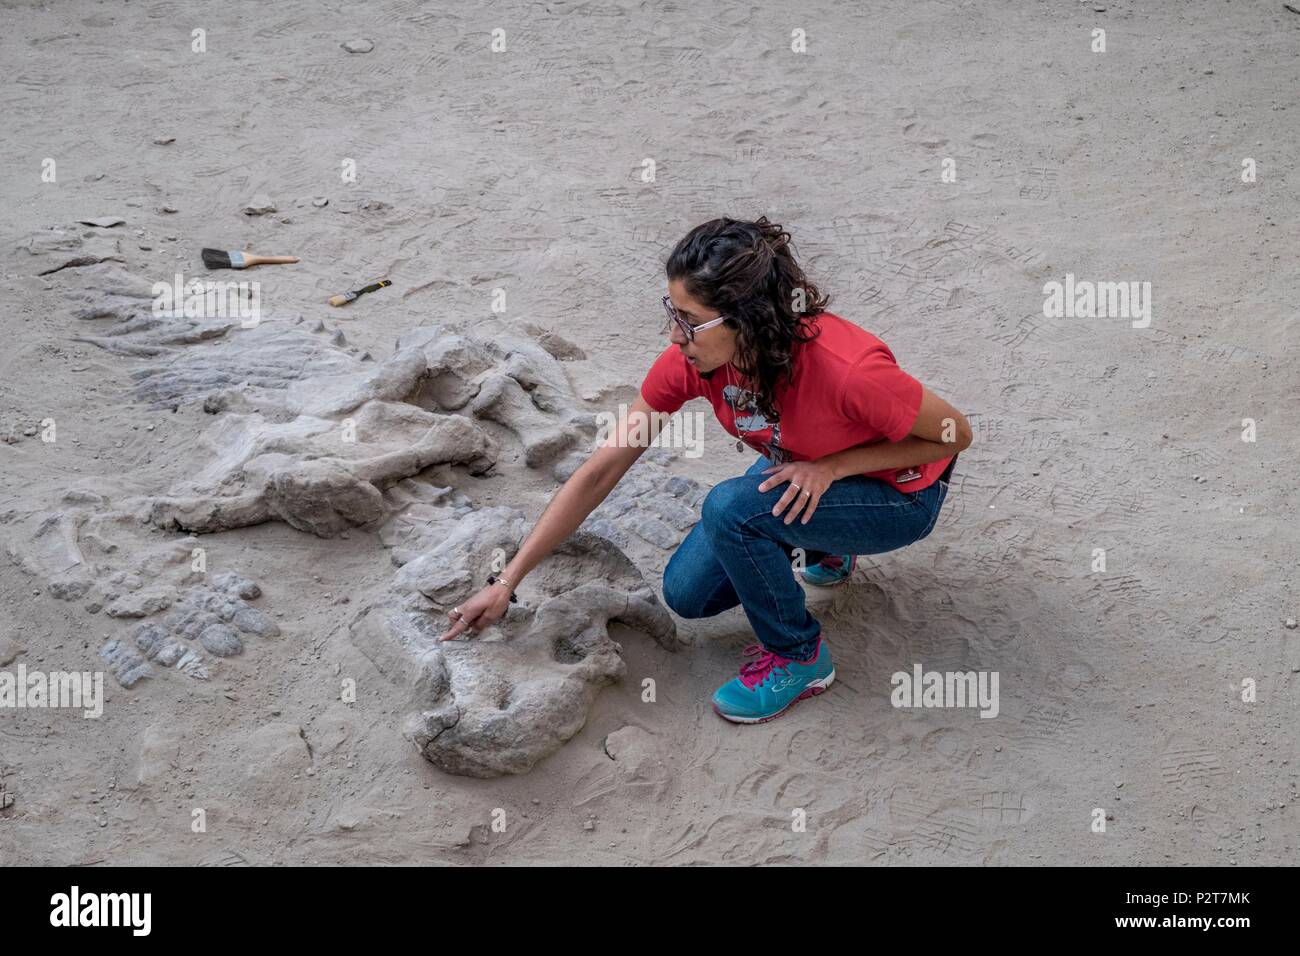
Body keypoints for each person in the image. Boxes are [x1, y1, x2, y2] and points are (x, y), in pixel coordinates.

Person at [438, 216, 972, 724]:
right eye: (672, 313)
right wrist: (507, 581)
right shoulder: (693, 362)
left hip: (899, 495)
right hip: (803, 464)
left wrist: (833, 467)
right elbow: (602, 470)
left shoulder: (849, 371)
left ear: (749, 319)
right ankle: (824, 539)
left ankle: (800, 657)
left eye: (690, 321)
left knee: (732, 510)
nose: (674, 336)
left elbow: (952, 437)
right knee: (690, 595)